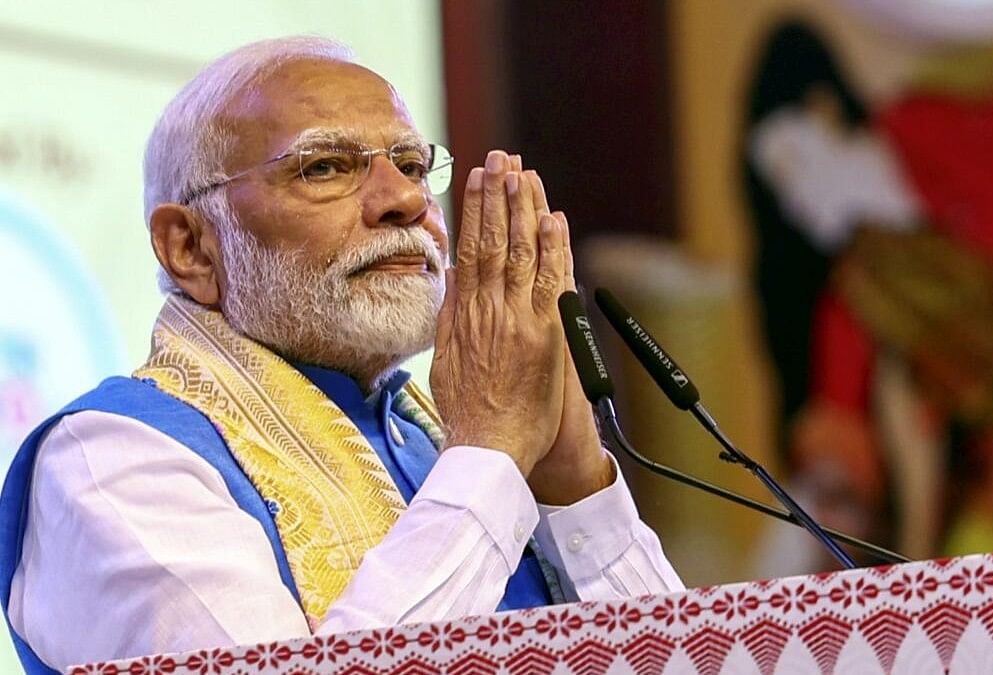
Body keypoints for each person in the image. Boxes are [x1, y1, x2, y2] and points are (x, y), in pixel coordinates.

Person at [0, 36, 683, 672]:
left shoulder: (433, 441)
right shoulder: (110, 460)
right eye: (324, 167)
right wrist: (494, 452)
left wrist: (576, 487)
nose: (406, 199)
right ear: (190, 246)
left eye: (413, 165)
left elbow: (696, 660)